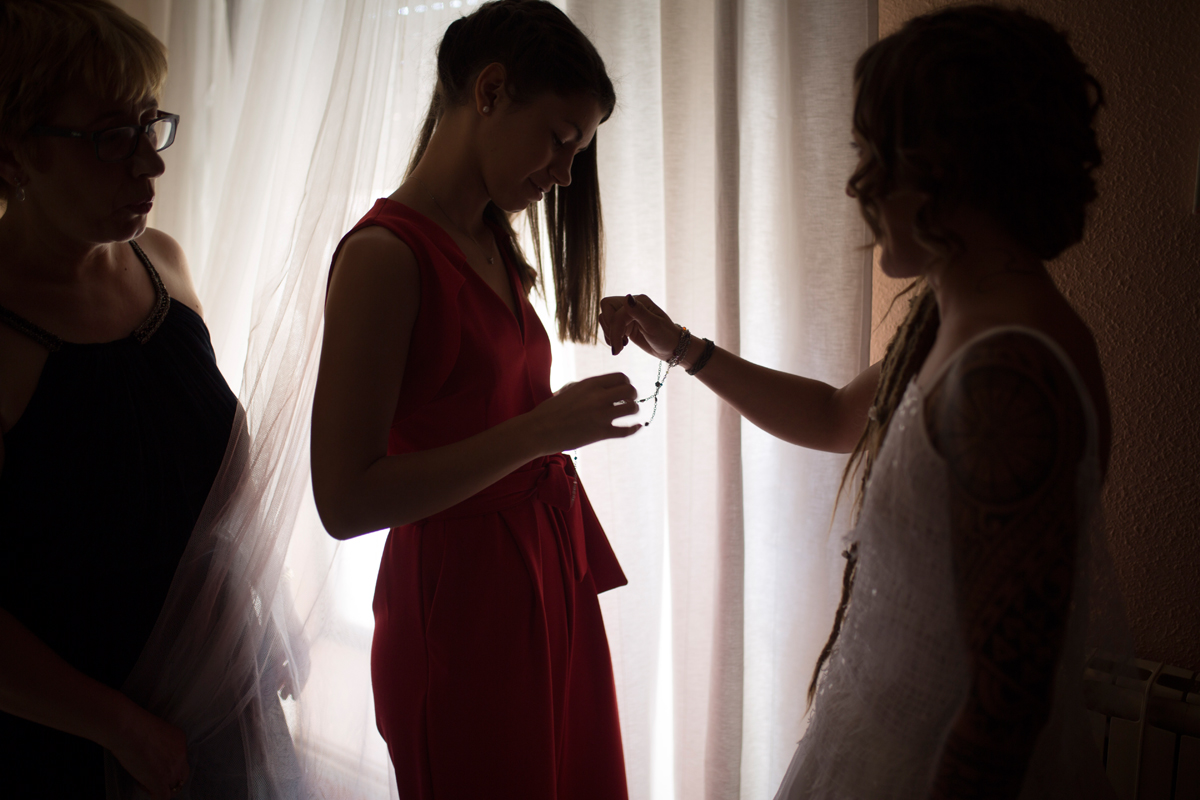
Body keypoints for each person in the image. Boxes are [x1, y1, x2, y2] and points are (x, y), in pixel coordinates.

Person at [601, 5, 1120, 798]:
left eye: (877, 154)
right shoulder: (958, 318)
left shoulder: (1009, 377)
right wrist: (682, 348)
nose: (858, 184)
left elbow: (1004, 709)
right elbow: (837, 417)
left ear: (957, 164)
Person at [310, 2, 638, 797]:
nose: (565, 174)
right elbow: (344, 500)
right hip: (462, 605)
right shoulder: (386, 258)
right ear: (490, 92)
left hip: (546, 571)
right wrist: (544, 428)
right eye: (561, 141)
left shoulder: (493, 237)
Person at [0, 1, 238, 798]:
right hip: (61, 747)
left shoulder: (162, 264)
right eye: (110, 137)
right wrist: (118, 727)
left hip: (194, 709)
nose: (150, 165)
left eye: (150, 125)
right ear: (12, 150)